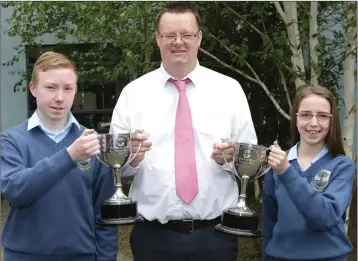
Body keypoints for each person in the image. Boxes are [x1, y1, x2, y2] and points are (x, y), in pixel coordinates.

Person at [109, 2, 257, 261]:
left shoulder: (229, 90)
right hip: (153, 237)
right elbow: (115, 168)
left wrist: (234, 158)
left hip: (216, 236)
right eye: (169, 35)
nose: (178, 42)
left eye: (186, 35)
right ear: (158, 39)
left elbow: (251, 162)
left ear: (199, 38)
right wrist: (131, 157)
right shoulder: (133, 94)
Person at [0, 51, 118, 261]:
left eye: (68, 88)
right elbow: (15, 191)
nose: (59, 97)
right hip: (24, 257)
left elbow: (105, 216)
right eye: (51, 87)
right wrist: (69, 155)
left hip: (81, 256)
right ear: (33, 89)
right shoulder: (11, 141)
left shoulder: (92, 141)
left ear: (75, 91)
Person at [262, 86, 356, 261]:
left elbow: (325, 218)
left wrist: (287, 172)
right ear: (296, 119)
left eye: (322, 116)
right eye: (306, 115)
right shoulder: (278, 162)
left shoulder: (342, 166)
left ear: (331, 121)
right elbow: (269, 222)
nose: (313, 123)